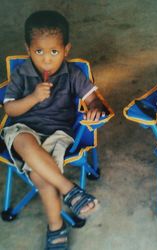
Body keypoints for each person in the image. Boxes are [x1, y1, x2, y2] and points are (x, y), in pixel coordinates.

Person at [1, 10, 104, 249]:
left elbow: (93, 99)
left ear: (66, 50)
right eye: (39, 51)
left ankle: (56, 226)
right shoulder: (21, 74)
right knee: (23, 139)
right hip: (24, 127)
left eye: (54, 52)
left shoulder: (73, 75)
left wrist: (94, 108)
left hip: (58, 134)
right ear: (28, 49)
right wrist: (34, 97)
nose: (47, 59)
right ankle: (70, 191)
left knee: (42, 178)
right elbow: (11, 111)